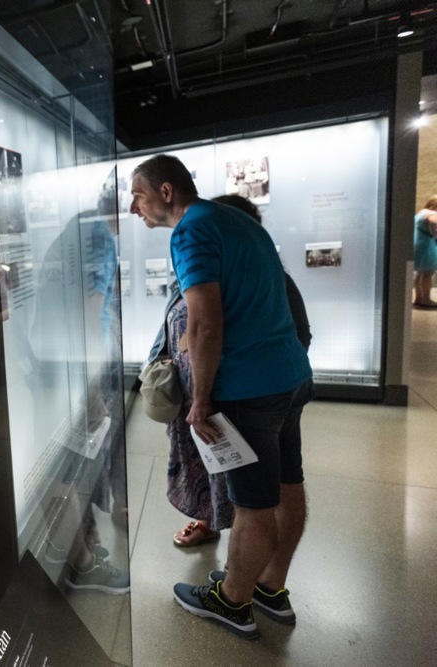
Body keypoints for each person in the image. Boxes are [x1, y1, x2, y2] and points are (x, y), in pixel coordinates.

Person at [130, 154, 314, 640]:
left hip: (248, 390)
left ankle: (232, 602)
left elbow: (205, 324)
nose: (133, 208)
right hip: (290, 377)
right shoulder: (239, 222)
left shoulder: (190, 230)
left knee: (253, 505)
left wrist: (201, 399)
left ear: (166, 192)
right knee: (288, 484)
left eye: (138, 196)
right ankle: (269, 586)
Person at [150, 193, 313, 549]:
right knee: (210, 466)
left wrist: (270, 380)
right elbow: (173, 322)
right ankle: (210, 520)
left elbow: (299, 333)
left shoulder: (269, 277)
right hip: (201, 398)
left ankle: (243, 567)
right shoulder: (199, 270)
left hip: (238, 394)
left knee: (252, 491)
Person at [413, 196, 437, 309]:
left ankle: (418, 298)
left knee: (419, 274)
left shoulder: (421, 212)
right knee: (428, 274)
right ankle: (426, 299)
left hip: (418, 243)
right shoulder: (432, 214)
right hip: (427, 246)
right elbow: (434, 231)